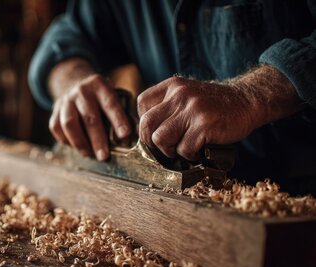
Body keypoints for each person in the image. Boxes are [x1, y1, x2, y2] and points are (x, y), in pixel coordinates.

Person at [28, 0, 316, 194]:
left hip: (294, 195)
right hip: (180, 192)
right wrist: (72, 81)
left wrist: (249, 96)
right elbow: (68, 35)